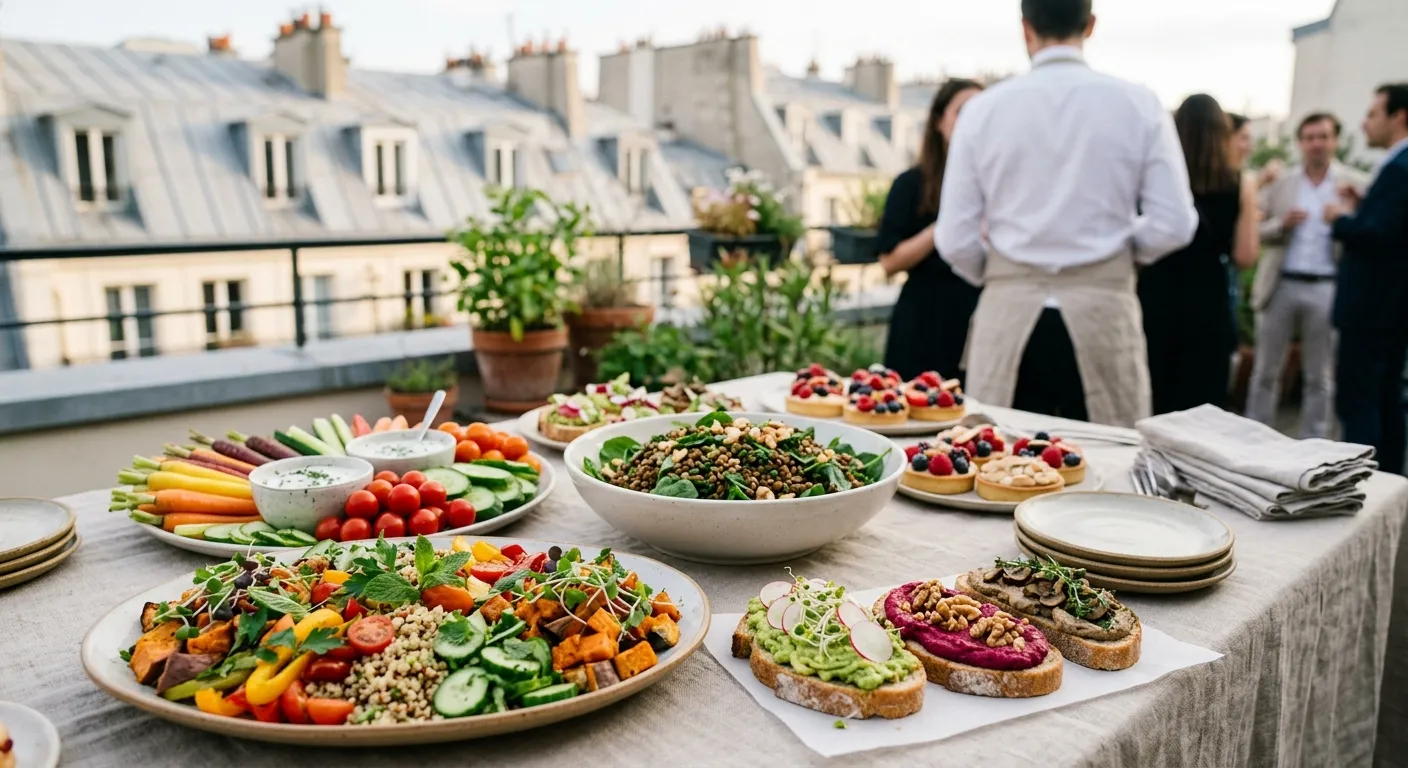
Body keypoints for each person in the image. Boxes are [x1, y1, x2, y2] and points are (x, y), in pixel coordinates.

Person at [934, 0, 1197, 426]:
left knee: (999, 466)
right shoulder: (1140, 104)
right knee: (1107, 467)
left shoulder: (983, 110)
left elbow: (955, 237)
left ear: (1025, 28)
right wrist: (1114, 260)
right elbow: (1175, 223)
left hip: (1009, 313)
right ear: (1090, 25)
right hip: (1102, 313)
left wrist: (1004, 273)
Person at [1246, 113, 1368, 437]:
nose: (1317, 143)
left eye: (1324, 136)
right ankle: (1255, 440)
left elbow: (1369, 234)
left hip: (1327, 286)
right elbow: (1253, 229)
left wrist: (1345, 218)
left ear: (1335, 140)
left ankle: (1313, 447)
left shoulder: (1356, 183)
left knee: (1321, 375)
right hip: (1281, 283)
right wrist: (1280, 224)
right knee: (1265, 371)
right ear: (1300, 143)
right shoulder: (1283, 182)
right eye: (1310, 137)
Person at [1139, 95, 1260, 414]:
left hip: (1156, 297)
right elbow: (1246, 255)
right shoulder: (1239, 183)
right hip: (1209, 304)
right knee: (1199, 409)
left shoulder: (1157, 182)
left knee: (1154, 398)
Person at [1325, 83, 1408, 474]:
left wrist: (1339, 220)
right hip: (1392, 308)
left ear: (1399, 116)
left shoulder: (1400, 166)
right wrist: (1362, 209)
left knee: (1360, 402)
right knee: (1388, 398)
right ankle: (1392, 482)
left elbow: (1379, 237)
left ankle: (1365, 485)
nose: (1365, 122)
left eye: (1373, 113)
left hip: (1372, 309)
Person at [878, 79, 985, 380]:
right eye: (963, 112)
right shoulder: (911, 184)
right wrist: (946, 225)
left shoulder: (997, 186)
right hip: (924, 319)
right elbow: (890, 261)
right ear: (939, 121)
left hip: (979, 318)